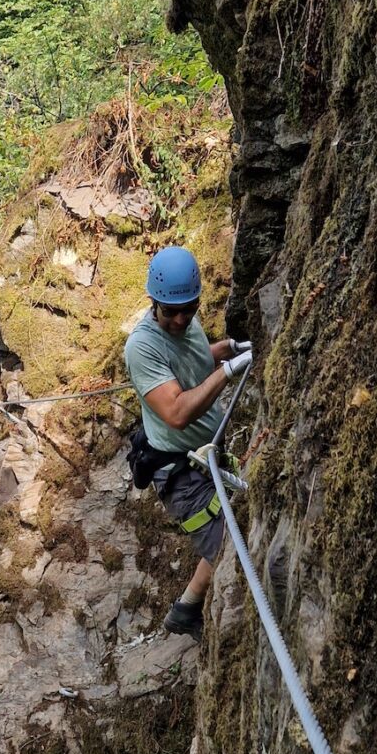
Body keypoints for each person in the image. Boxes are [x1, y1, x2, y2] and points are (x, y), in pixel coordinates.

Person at [124, 246, 250, 640]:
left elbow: (192, 359)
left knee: (227, 533)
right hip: (181, 473)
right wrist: (227, 372)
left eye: (188, 310)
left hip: (206, 453)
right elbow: (177, 411)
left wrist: (228, 349)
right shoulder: (142, 347)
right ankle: (228, 635)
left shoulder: (185, 321)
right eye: (170, 312)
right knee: (232, 548)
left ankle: (186, 609)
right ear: (153, 303)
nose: (180, 319)